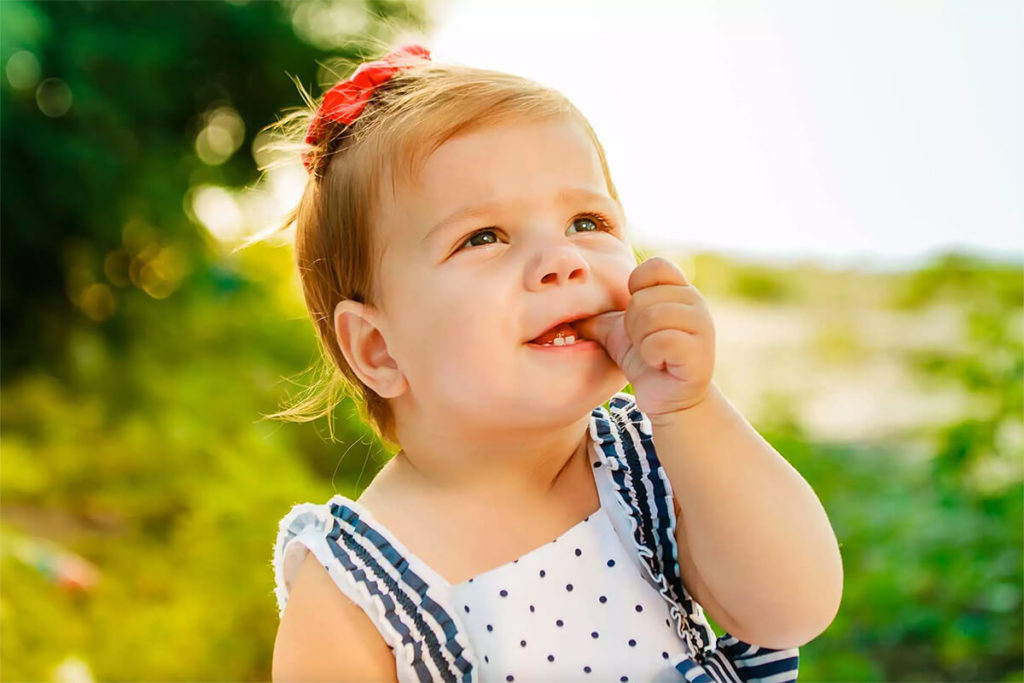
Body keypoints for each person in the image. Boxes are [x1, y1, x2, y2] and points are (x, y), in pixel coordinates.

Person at [266, 44, 842, 682]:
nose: (562, 260)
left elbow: (792, 611)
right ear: (378, 348)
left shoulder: (650, 460)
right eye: (483, 237)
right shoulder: (357, 591)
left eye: (586, 220)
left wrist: (691, 407)